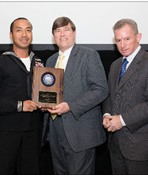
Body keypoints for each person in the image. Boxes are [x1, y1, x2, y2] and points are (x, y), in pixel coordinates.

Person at [42, 17, 108, 175]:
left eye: (66, 29)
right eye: (58, 31)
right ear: (53, 36)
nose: (62, 34)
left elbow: (101, 89)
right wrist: (43, 103)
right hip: (55, 131)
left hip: (80, 132)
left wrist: (70, 106)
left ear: (74, 33)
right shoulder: (50, 61)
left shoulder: (89, 55)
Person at [102, 19, 148, 174]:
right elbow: (110, 95)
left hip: (140, 146)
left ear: (138, 37)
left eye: (127, 39)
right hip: (116, 143)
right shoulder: (115, 65)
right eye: (118, 40)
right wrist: (107, 114)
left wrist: (122, 120)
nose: (122, 45)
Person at [0, 17, 44, 175]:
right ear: (11, 35)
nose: (24, 34)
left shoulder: (39, 63)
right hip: (7, 131)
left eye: (28, 30)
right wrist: (20, 105)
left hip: (33, 131)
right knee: (3, 172)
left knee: (31, 172)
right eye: (19, 30)